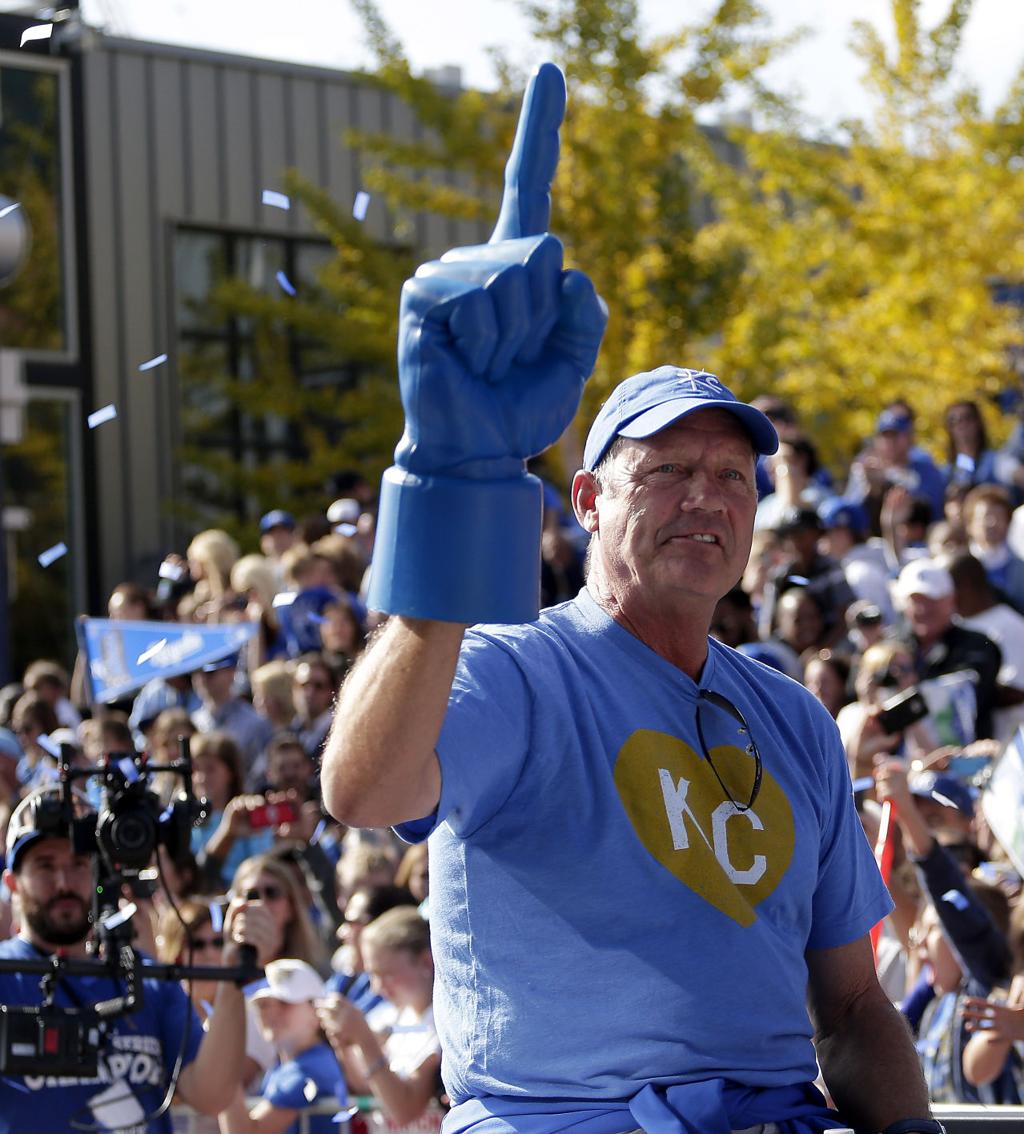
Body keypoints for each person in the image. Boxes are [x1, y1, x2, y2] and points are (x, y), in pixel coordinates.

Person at [322, 64, 937, 1134]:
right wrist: (449, 489)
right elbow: (365, 792)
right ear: (588, 500)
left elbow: (847, 1003)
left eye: (731, 477)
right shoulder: (511, 669)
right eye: (666, 471)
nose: (704, 497)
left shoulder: (790, 716)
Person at [0, 786, 277, 1133]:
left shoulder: (145, 977)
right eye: (44, 866)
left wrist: (234, 978)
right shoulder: (6, 976)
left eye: (77, 864)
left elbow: (210, 1094)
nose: (63, 882)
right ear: (12, 883)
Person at [318, 907, 442, 1132]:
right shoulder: (391, 1016)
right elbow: (367, 1087)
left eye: (386, 974)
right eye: (372, 974)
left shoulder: (444, 1024)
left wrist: (364, 1040)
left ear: (425, 961)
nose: (376, 987)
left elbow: (405, 1110)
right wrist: (344, 1044)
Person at [218, 958, 348, 1134]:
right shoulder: (290, 1065)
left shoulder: (310, 1068)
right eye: (262, 1005)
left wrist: (223, 1058)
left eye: (285, 1003)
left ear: (316, 1011)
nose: (271, 1012)